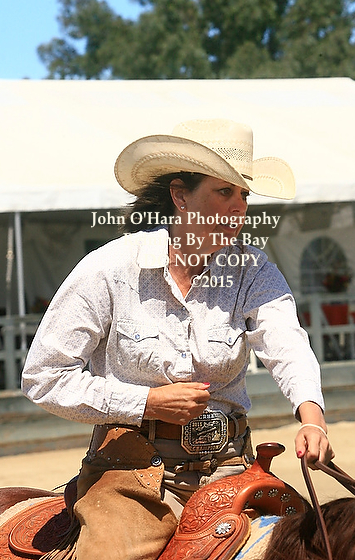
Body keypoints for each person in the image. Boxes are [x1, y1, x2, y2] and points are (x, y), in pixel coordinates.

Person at [21, 118, 334, 560]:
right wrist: (146, 403)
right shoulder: (109, 268)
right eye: (223, 191)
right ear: (180, 195)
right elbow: (44, 378)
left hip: (231, 466)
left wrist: (312, 418)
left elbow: (288, 346)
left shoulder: (253, 270)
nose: (239, 207)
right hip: (130, 472)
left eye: (244, 194)